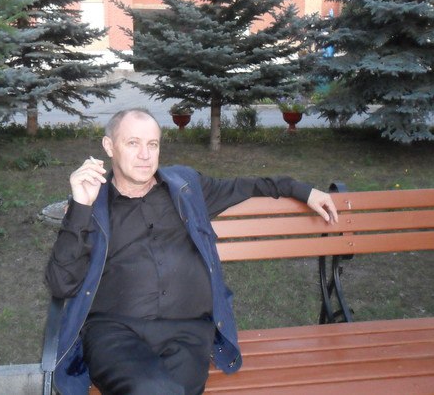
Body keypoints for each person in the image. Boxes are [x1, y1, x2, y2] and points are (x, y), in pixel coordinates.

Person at [46, 108, 338, 395]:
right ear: (109, 146)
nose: (145, 155)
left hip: (187, 333)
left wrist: (303, 190)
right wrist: (81, 207)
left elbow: (247, 186)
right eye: (133, 143)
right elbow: (61, 285)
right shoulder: (92, 204)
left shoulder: (185, 187)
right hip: (114, 332)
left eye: (152, 144)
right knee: (151, 389)